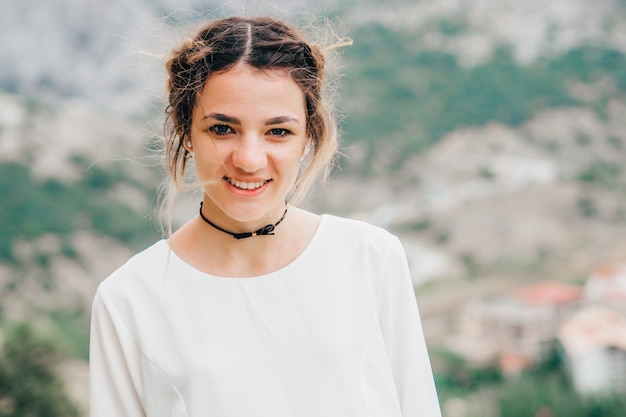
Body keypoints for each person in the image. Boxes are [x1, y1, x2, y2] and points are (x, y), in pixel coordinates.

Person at [89, 15, 441, 417]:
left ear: (309, 135)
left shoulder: (371, 258)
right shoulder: (129, 299)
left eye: (277, 132)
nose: (249, 160)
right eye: (222, 129)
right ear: (186, 132)